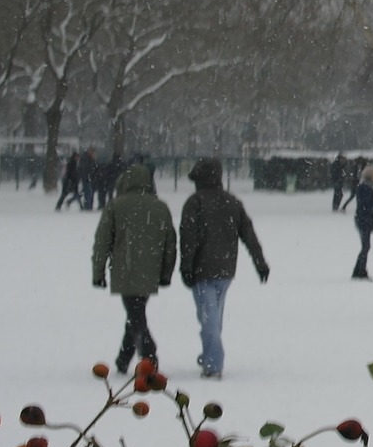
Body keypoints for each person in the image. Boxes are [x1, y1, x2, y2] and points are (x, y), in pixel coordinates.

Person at [177, 158, 269, 380]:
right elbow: (249, 235)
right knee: (213, 317)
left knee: (208, 318)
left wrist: (186, 267)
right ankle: (210, 354)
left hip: (202, 270)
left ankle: (213, 364)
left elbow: (188, 239)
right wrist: (260, 263)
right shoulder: (232, 202)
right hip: (226, 270)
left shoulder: (195, 203)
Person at [91, 162, 177, 374]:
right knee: (136, 312)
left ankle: (149, 353)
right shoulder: (160, 207)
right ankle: (123, 359)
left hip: (124, 269)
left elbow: (102, 242)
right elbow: (170, 244)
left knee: (135, 314)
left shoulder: (115, 206)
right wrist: (166, 273)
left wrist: (98, 273)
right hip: (151, 271)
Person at [351, 164, 373, 281]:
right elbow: (365, 206)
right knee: (365, 246)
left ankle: (359, 270)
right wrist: (371, 215)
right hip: (364, 220)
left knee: (366, 246)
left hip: (364, 219)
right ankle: (359, 271)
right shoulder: (365, 187)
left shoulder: (367, 186)